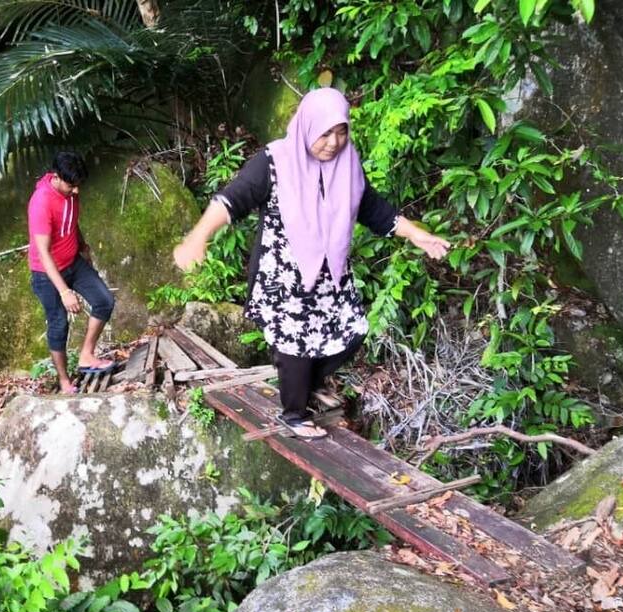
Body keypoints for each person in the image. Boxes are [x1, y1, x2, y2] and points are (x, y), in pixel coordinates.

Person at [173, 88, 450, 437]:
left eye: (341, 131)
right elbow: (232, 200)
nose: (334, 142)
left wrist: (416, 234)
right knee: (295, 345)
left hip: (330, 275)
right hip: (284, 276)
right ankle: (293, 415)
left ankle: (307, 384)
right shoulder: (274, 161)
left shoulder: (348, 164)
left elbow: (374, 209)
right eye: (325, 133)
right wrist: (198, 236)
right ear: (306, 127)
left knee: (353, 330)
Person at [28, 152, 116, 394]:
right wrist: (65, 291)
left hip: (73, 262)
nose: (76, 191)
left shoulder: (69, 191)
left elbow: (71, 221)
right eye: (71, 186)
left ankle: (87, 355)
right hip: (47, 273)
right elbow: (44, 254)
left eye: (78, 186)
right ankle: (65, 381)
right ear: (56, 177)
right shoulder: (41, 202)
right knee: (58, 324)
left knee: (104, 301)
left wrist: (83, 246)